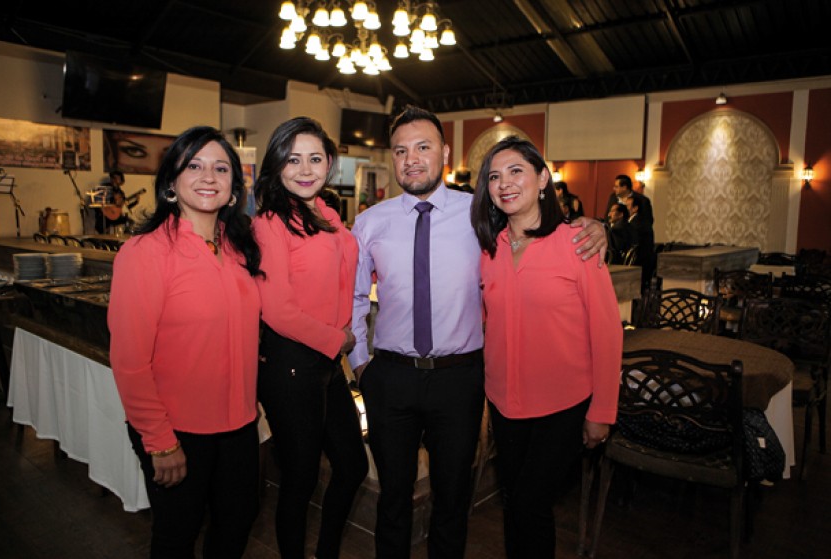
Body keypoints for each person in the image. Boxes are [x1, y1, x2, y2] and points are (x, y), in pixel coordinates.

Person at [349, 105, 608, 558]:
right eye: (401, 151)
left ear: (445, 153)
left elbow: (535, 224)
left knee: (453, 500)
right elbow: (354, 297)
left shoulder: (479, 214)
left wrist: (596, 227)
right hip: (390, 377)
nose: (412, 159)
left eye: (423, 147)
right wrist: (361, 367)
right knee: (393, 501)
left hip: (459, 380)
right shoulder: (370, 221)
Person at [108, 126, 264, 558]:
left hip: (238, 425)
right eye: (193, 166)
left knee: (236, 524)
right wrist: (160, 440)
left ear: (234, 186)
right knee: (177, 536)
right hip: (177, 430)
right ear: (171, 182)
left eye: (221, 168)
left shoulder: (239, 248)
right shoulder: (145, 252)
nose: (208, 177)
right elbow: (129, 360)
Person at [469, 135, 622, 558]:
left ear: (542, 179)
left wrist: (602, 411)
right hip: (505, 403)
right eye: (494, 177)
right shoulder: (489, 249)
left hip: (562, 405)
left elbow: (607, 331)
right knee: (514, 503)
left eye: (516, 171)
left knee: (530, 504)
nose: (504, 183)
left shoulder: (577, 242)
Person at [253, 117, 368, 559]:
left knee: (352, 466)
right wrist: (338, 339)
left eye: (315, 159)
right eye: (293, 159)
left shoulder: (328, 214)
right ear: (277, 165)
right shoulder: (270, 222)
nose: (305, 169)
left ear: (329, 163)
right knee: (300, 480)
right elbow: (277, 310)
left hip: (325, 361)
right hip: (291, 362)